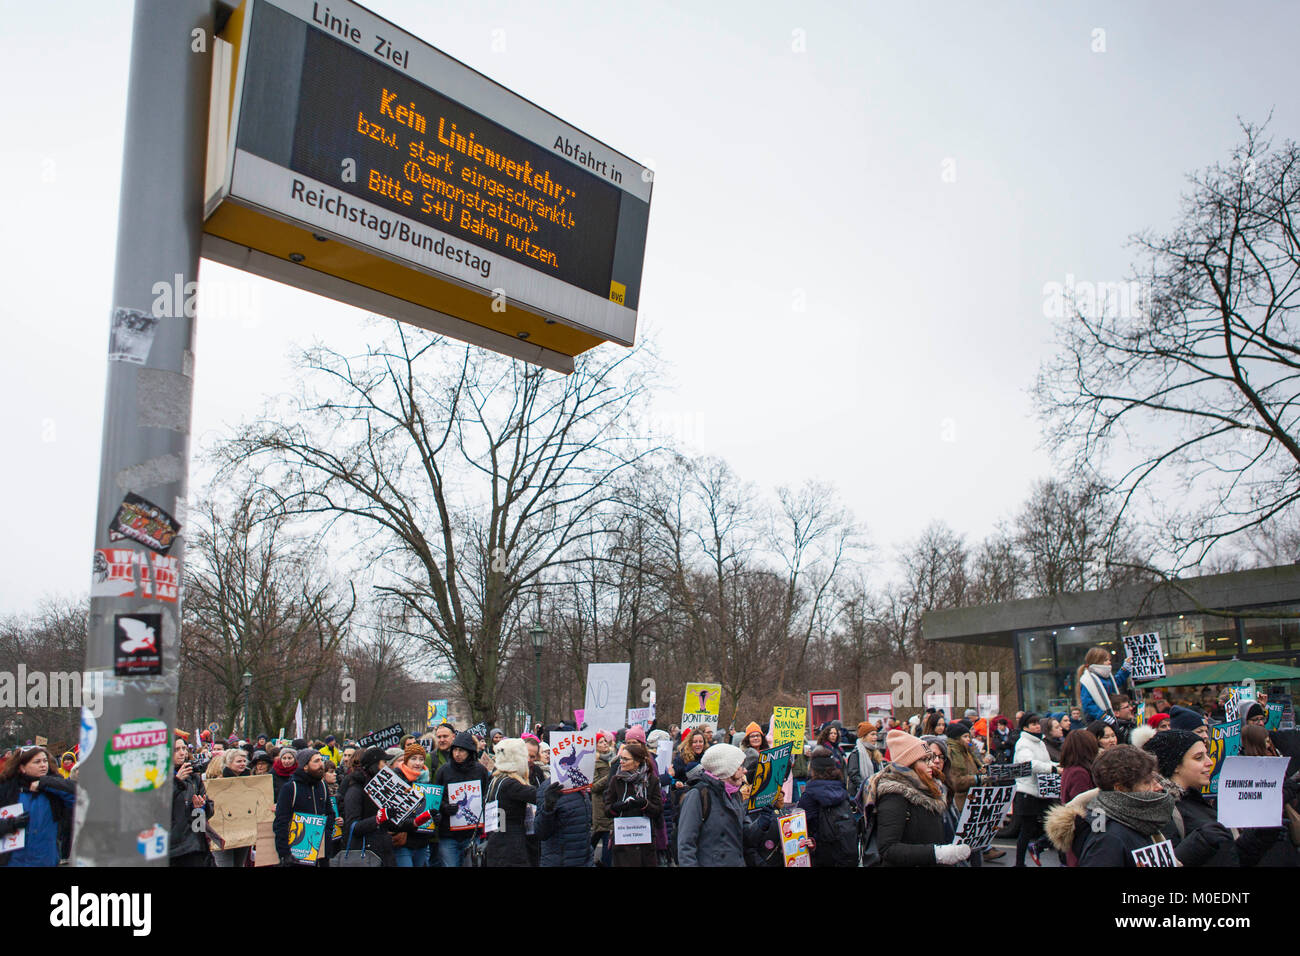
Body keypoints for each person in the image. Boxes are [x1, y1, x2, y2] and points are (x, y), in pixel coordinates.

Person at [861, 730, 970, 867]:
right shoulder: (894, 795)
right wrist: (938, 853)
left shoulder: (928, 788)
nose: (931, 764)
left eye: (930, 758)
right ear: (909, 764)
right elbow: (888, 849)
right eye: (924, 760)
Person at [1142, 730, 1240, 866]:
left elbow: (1232, 855)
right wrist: (1201, 840)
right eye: (1199, 757)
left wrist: (1261, 835)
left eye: (1207, 755)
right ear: (1175, 765)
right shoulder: (1160, 808)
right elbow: (1165, 862)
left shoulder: (1195, 798)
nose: (1210, 762)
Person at [1073, 745, 1177, 867]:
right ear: (1120, 788)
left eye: (1155, 780)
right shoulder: (1107, 837)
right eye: (1147, 782)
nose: (1159, 787)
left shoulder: (1140, 821)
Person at [676, 742, 751, 867]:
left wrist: (762, 823)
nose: (744, 771)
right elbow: (686, 845)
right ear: (725, 769)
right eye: (739, 766)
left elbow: (746, 833)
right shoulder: (698, 795)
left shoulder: (735, 794)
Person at [0, 746, 76, 867]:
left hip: (44, 860)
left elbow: (78, 795)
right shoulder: (6, 788)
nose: (43, 765)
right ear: (22, 767)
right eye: (37, 762)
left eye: (45, 761)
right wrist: (11, 824)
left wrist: (46, 782)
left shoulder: (54, 788)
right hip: (12, 861)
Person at [433, 730, 490, 867]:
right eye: (455, 750)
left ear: (470, 752)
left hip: (472, 833)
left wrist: (481, 804)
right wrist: (445, 807)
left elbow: (487, 795)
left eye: (462, 751)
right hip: (448, 834)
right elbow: (435, 798)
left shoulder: (480, 771)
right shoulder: (443, 771)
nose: (457, 754)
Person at [273, 748, 337, 867]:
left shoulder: (322, 785)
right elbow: (280, 822)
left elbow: (330, 813)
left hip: (321, 852)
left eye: (321, 760)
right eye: (316, 761)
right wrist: (285, 853)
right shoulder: (291, 788)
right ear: (305, 766)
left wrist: (326, 835)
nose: (321, 764)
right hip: (297, 855)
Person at [604, 740, 663, 867]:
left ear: (637, 761)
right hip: (623, 840)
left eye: (626, 759)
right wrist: (616, 807)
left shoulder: (651, 780)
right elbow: (607, 809)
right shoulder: (617, 779)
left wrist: (644, 804)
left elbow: (658, 810)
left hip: (644, 842)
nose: (621, 762)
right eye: (621, 758)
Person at [798, 746, 858, 866]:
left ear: (813, 770)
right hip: (844, 851)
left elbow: (802, 825)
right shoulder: (842, 790)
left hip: (821, 852)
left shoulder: (809, 794)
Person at [1012, 713, 1059, 867]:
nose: (1037, 726)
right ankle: (1019, 863)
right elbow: (1030, 764)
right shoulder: (1023, 743)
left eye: (1037, 723)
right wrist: (1053, 769)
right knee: (1027, 830)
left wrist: (1059, 765)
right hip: (1027, 792)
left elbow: (1045, 761)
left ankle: (1038, 846)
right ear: (1025, 727)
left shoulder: (1039, 742)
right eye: (1033, 724)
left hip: (1041, 791)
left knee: (1054, 822)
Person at [482, 738, 536, 867]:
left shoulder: (496, 781)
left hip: (497, 843)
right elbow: (537, 795)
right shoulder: (511, 784)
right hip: (511, 849)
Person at [390, 742, 435, 868]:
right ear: (406, 760)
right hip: (403, 842)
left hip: (422, 842)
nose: (418, 763)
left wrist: (435, 817)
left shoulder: (427, 781)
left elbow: (431, 807)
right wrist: (413, 822)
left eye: (421, 759)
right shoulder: (397, 780)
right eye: (413, 758)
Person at [1077, 645, 1131, 723]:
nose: (1109, 662)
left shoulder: (1107, 676)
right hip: (1097, 720)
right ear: (1097, 661)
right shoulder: (1087, 680)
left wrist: (1124, 669)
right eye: (1106, 660)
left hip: (1110, 716)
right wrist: (1103, 716)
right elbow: (1088, 704)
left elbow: (1115, 683)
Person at [589, 729, 617, 865]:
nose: (605, 744)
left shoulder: (614, 758)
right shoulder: (594, 762)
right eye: (600, 742)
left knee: (607, 839)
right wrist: (611, 775)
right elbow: (593, 787)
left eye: (605, 741)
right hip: (600, 807)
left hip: (611, 804)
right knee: (601, 837)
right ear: (595, 746)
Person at [847, 721, 884, 796]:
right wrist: (867, 787)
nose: (875, 737)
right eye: (872, 734)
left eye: (876, 735)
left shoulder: (876, 753)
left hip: (875, 792)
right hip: (860, 794)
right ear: (864, 736)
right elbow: (853, 775)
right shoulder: (856, 753)